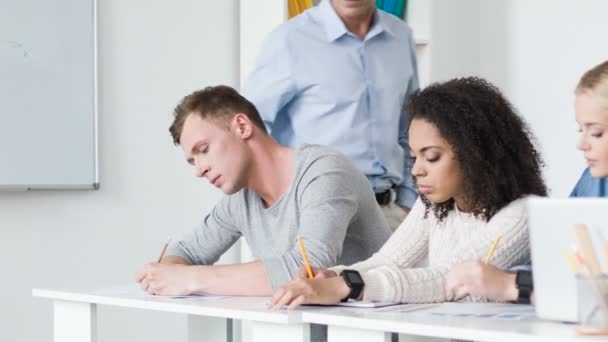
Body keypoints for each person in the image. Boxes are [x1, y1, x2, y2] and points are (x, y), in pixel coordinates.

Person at [269, 77, 548, 309]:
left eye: (432, 157)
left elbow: (449, 280)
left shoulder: (523, 214)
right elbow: (386, 261)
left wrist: (348, 287)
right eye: (414, 157)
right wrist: (335, 276)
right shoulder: (434, 205)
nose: (416, 171)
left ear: (476, 155)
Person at [135, 85, 391, 296]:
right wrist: (167, 273)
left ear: (243, 127)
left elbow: (308, 269)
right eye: (192, 161)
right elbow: (185, 252)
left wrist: (191, 279)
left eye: (203, 150)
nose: (199, 170)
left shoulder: (324, 172)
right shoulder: (239, 200)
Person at [242, 0, 419, 230]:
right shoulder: (290, 39)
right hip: (317, 215)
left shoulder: (401, 36)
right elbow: (248, 128)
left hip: (391, 217)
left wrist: (407, 201)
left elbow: (411, 128)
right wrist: (277, 204)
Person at [445, 60, 608, 304]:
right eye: (580, 130)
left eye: (596, 133)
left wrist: (510, 286)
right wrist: (512, 277)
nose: (582, 144)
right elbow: (562, 261)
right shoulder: (592, 182)